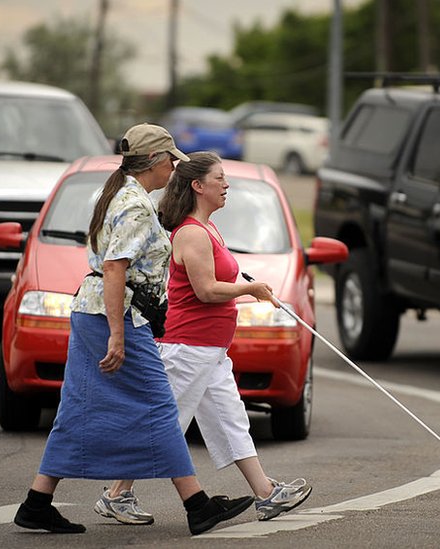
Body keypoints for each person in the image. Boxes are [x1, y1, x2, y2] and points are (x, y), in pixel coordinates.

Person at [13, 125, 254, 536]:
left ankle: (37, 502)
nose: (175, 166)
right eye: (171, 158)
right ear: (157, 161)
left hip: (99, 314)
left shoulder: (121, 194)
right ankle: (197, 505)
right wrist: (117, 334)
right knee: (159, 407)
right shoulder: (133, 204)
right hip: (115, 318)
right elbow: (114, 268)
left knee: (77, 408)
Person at [93, 151, 312, 527]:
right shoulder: (192, 233)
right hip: (186, 347)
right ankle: (116, 494)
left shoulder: (208, 229)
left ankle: (266, 494)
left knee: (231, 420)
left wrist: (247, 285)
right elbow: (206, 290)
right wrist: (250, 288)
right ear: (198, 186)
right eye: (219, 178)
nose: (226, 185)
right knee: (163, 424)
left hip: (209, 350)